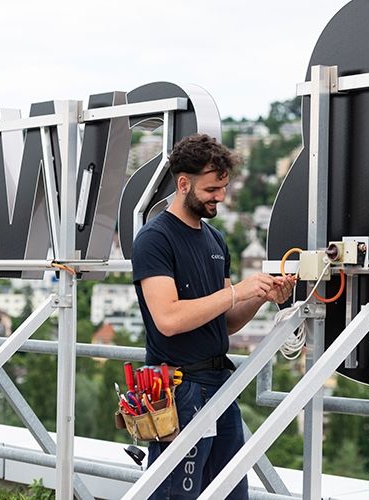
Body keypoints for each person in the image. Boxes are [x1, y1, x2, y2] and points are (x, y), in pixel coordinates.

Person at [132, 133, 294, 499]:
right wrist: (237, 290)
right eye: (211, 189)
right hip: (179, 388)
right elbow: (168, 319)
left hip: (220, 384)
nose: (220, 196)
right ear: (183, 183)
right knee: (177, 494)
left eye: (223, 187)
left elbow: (227, 320)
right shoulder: (154, 239)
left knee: (230, 492)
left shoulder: (215, 240)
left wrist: (259, 297)